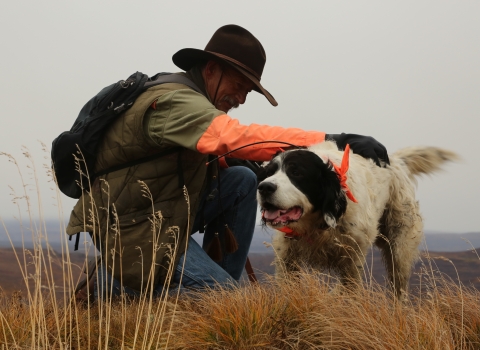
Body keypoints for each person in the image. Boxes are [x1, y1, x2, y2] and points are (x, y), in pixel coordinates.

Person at [67, 24, 389, 300]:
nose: (242, 98)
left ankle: (219, 283)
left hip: (162, 211)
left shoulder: (190, 99)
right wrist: (332, 138)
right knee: (226, 300)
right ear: (211, 70)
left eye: (249, 90)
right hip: (134, 225)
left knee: (241, 179)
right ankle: (109, 288)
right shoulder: (175, 101)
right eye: (239, 85)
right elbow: (237, 136)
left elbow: (206, 153)